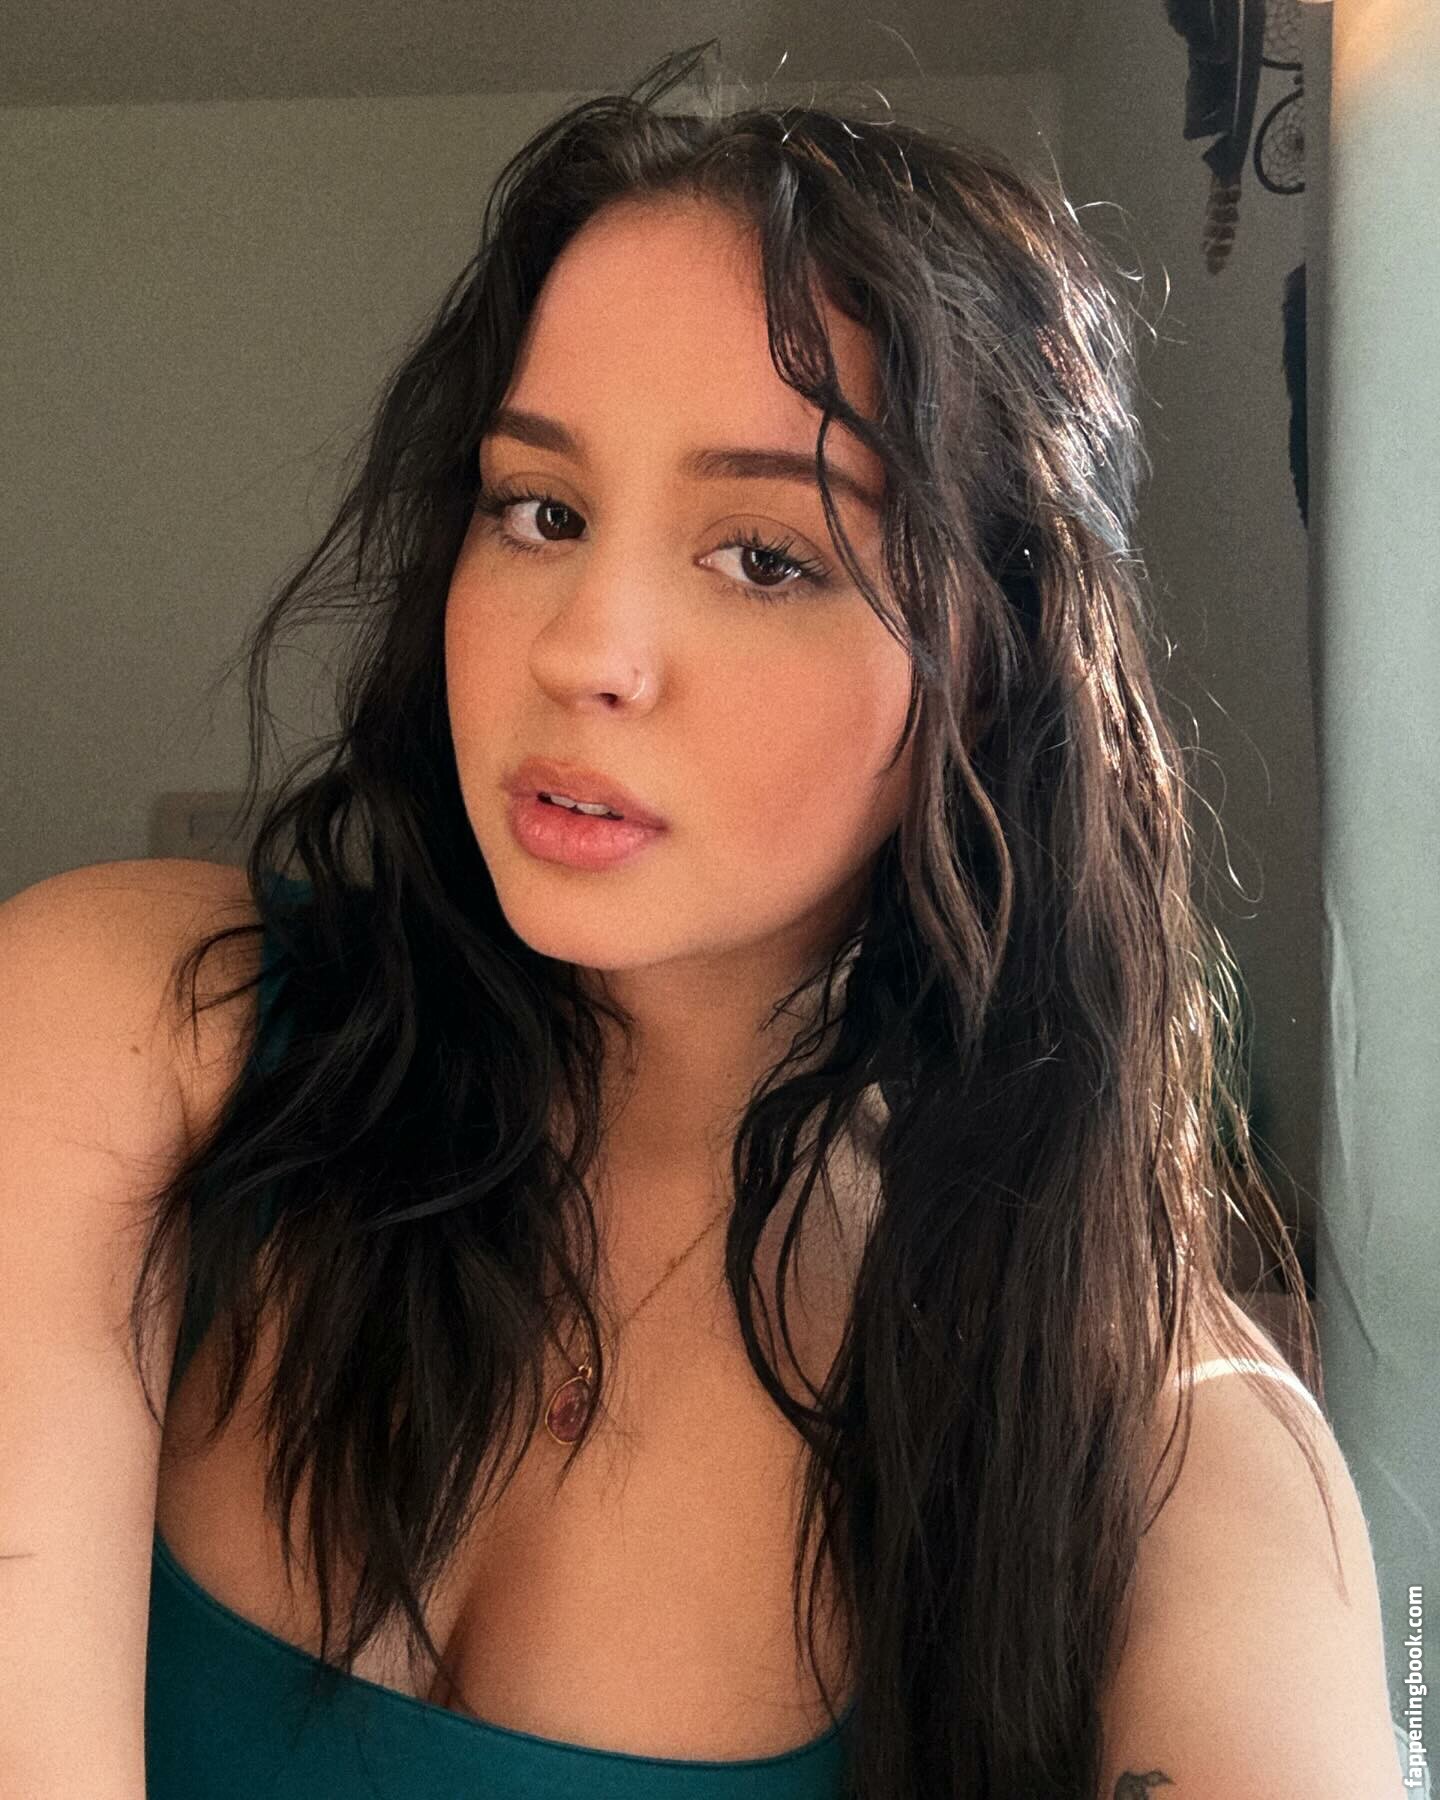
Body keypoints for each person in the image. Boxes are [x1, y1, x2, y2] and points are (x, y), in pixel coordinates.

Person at [0, 38, 1416, 1800]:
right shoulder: (131, 1028)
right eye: (541, 510)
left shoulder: (1152, 1447)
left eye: (767, 555)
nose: (583, 649)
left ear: (992, 670)